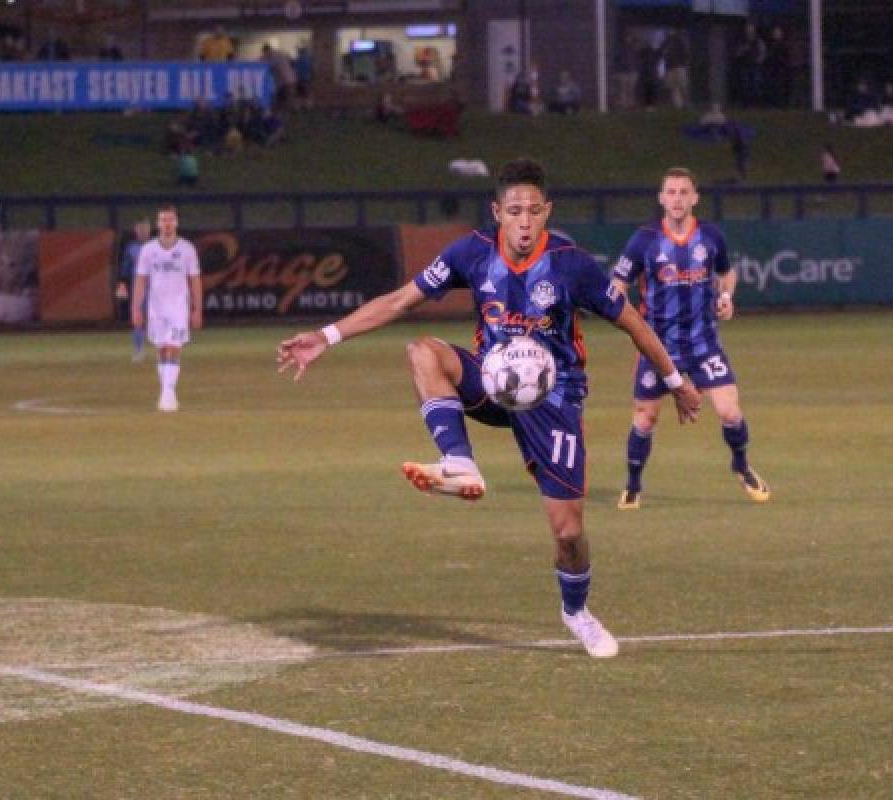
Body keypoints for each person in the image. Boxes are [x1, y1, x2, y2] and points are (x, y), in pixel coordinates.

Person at [277, 158, 702, 658]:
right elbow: (399, 301)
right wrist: (327, 337)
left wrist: (675, 381)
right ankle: (458, 460)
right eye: (514, 211)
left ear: (548, 212)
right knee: (422, 352)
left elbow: (633, 321)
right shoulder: (471, 253)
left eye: (533, 211)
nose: (524, 222)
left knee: (568, 533)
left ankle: (577, 613)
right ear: (496, 211)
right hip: (493, 380)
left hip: (554, 399)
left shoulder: (572, 264)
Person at [611, 167, 770, 510]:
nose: (678, 198)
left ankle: (741, 466)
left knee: (730, 412)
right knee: (645, 418)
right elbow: (618, 285)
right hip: (657, 348)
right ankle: (633, 486)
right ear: (661, 198)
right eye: (671, 192)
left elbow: (727, 273)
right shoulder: (644, 240)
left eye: (684, 192)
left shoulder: (711, 237)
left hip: (704, 344)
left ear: (695, 197)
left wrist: (726, 297)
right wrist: (627, 319)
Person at [131, 205, 202, 412]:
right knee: (162, 350)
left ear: (176, 222)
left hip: (179, 307)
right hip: (156, 309)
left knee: (173, 347)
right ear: (158, 223)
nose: (167, 223)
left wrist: (197, 308)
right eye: (163, 220)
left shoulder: (187, 249)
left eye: (170, 219)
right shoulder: (149, 250)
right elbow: (141, 280)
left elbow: (195, 280)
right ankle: (166, 390)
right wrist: (136, 308)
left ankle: (168, 394)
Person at [117, 217, 152, 361]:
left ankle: (166, 349)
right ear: (136, 231)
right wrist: (122, 285)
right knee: (138, 319)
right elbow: (125, 269)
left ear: (149, 230)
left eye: (145, 229)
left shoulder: (157, 246)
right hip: (139, 289)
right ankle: (139, 350)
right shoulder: (131, 248)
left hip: (158, 289)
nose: (142, 232)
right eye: (140, 229)